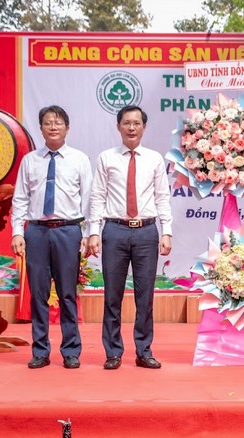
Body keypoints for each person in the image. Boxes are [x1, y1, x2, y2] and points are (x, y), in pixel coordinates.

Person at [87, 105, 173, 370]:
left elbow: (162, 197)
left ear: (144, 127)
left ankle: (144, 351)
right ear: (118, 127)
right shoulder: (106, 158)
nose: (131, 127)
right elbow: (97, 196)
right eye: (126, 123)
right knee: (112, 296)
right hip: (115, 231)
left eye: (136, 123)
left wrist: (166, 231)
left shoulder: (154, 159)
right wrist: (93, 232)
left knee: (144, 297)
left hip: (147, 231)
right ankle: (113, 352)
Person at [11, 105, 93, 369]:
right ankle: (40, 351)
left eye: (58, 123)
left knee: (68, 293)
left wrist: (88, 232)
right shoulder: (30, 161)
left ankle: (71, 351)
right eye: (48, 123)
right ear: (41, 128)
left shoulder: (79, 159)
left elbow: (89, 200)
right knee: (38, 293)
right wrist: (17, 231)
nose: (53, 127)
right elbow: (20, 199)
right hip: (36, 232)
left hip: (68, 231)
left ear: (67, 127)